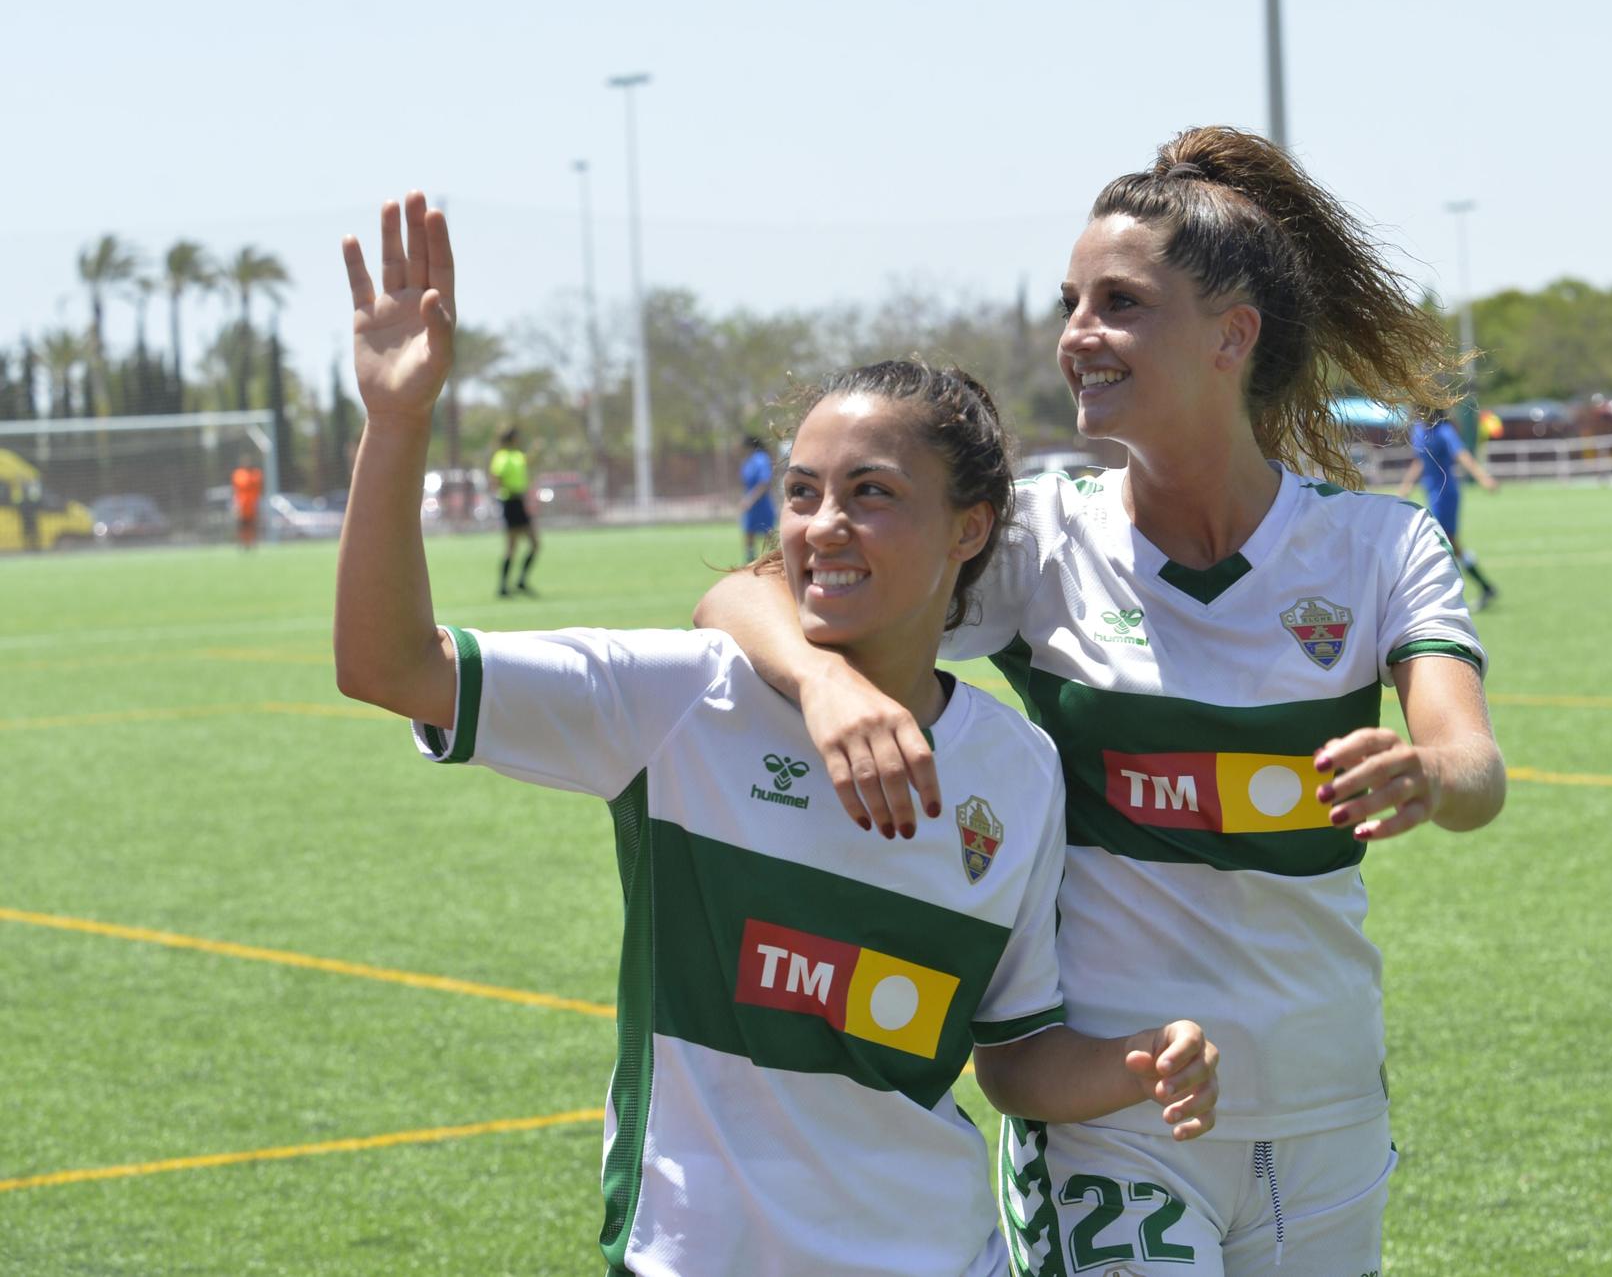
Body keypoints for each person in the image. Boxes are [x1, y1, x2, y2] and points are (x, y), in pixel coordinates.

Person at [333, 192, 1220, 1277]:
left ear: (969, 528)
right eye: (800, 493)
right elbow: (390, 665)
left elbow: (1013, 1050)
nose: (821, 525)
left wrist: (1132, 1061)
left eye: (870, 492)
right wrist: (397, 421)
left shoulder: (1014, 768)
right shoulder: (680, 704)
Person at [695, 127, 1507, 1276]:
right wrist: (824, 679)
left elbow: (1472, 765)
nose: (1078, 335)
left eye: (1119, 303)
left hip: (1326, 1104)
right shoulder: (1038, 537)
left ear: (1233, 336)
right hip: (1116, 1109)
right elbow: (740, 594)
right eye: (1071, 302)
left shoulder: (1377, 547)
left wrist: (1429, 775)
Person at [1396, 408, 1501, 610]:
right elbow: (1420, 460)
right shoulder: (1418, 430)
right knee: (1449, 544)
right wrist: (1406, 485)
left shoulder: (1444, 430)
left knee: (1441, 542)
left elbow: (1462, 455)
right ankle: (1485, 586)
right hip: (1431, 493)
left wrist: (1483, 478)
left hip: (1446, 495)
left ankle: (1443, 597)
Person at [489, 425, 538, 596]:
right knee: (512, 547)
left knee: (534, 544)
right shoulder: (501, 457)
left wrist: (535, 450)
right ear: (511, 439)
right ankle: (503, 586)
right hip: (510, 502)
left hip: (519, 501)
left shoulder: (517, 455)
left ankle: (521, 581)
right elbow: (497, 478)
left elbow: (526, 462)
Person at [739, 432, 777, 562]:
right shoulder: (748, 460)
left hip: (762, 504)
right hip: (751, 507)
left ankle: (774, 561)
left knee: (768, 535)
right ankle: (750, 561)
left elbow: (764, 482)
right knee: (748, 533)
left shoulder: (761, 459)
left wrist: (751, 498)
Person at [230, 453, 263, 552]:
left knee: (252, 525)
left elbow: (259, 489)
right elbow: (235, 491)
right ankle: (242, 544)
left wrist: (257, 503)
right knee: (241, 526)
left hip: (252, 505)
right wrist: (235, 505)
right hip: (242, 505)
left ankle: (253, 543)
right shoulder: (238, 474)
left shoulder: (256, 474)